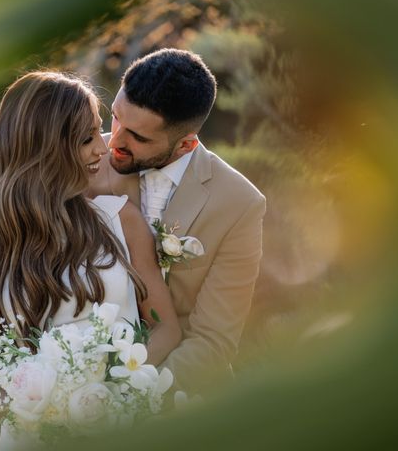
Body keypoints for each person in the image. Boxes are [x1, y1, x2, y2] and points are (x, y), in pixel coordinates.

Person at [0, 71, 181, 449]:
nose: (102, 150)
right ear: (43, 148)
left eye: (98, 132)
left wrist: (112, 391)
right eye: (86, 138)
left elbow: (166, 328)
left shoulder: (120, 221)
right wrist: (42, 405)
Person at [88, 48, 266, 396]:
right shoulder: (80, 165)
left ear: (186, 144)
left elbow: (213, 340)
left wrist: (129, 403)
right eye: (116, 118)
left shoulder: (239, 204)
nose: (116, 142)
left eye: (138, 137)